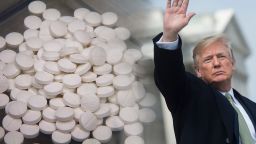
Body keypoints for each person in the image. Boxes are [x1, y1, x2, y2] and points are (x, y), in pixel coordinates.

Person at [153, 0, 256, 144]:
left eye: (221, 56)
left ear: (233, 64)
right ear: (198, 71)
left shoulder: (252, 107)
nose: (216, 63)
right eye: (208, 60)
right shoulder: (188, 95)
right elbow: (170, 75)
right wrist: (170, 35)